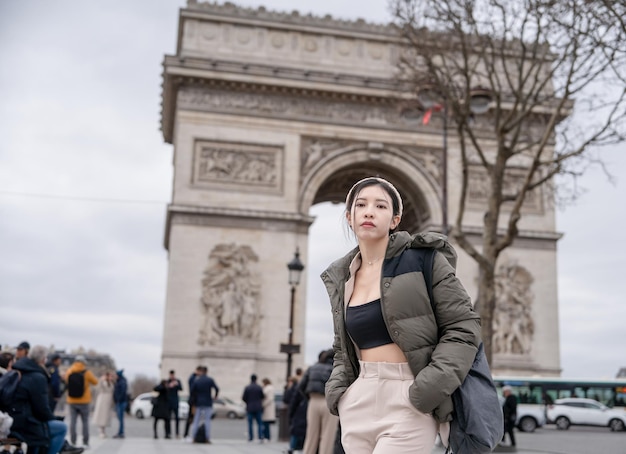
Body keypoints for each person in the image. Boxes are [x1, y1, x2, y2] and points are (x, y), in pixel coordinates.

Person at [322, 176, 482, 453]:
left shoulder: (425, 260)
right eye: (361, 204)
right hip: (359, 400)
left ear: (395, 220)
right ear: (349, 216)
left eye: (381, 206)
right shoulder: (342, 277)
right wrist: (339, 393)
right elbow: (342, 347)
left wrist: (426, 391)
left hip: (409, 398)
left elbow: (464, 326)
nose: (369, 211)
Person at [7, 345, 84, 454]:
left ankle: (63, 446)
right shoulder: (37, 377)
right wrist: (52, 418)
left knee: (45, 429)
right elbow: (41, 409)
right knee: (61, 428)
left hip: (12, 418)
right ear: (43, 359)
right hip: (23, 423)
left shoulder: (18, 370)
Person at [299, 349, 337, 454]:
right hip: (329, 403)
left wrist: (309, 398)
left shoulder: (312, 368)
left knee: (311, 436)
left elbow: (301, 386)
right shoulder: (335, 369)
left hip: (313, 401)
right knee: (327, 437)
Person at [64, 355, 98, 449]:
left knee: (73, 422)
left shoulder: (69, 371)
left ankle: (73, 441)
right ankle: (85, 442)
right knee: (85, 422)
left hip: (71, 400)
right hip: (84, 400)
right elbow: (95, 382)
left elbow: (66, 382)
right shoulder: (86, 372)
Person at [188, 366, 219, 443]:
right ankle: (207, 438)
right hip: (208, 402)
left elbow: (192, 391)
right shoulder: (210, 380)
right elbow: (217, 388)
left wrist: (194, 400)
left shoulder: (197, 381)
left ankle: (194, 437)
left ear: (201, 372)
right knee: (207, 420)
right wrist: (215, 396)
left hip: (198, 402)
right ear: (206, 372)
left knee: (196, 420)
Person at [242, 374, 264, 443]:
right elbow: (262, 396)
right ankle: (260, 437)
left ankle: (251, 437)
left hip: (250, 407)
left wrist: (248, 402)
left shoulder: (247, 387)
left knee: (250, 423)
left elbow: (244, 398)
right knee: (260, 423)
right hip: (258, 407)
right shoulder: (259, 387)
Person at [92, 371, 114, 438]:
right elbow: (98, 387)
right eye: (110, 376)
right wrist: (101, 380)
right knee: (102, 416)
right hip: (102, 400)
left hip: (108, 400)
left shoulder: (111, 383)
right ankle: (101, 431)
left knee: (105, 417)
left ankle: (103, 431)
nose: (111, 377)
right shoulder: (103, 382)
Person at [183, 366, 202, 439]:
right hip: (193, 402)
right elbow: (193, 390)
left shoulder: (193, 377)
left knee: (193, 418)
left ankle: (189, 434)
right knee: (191, 417)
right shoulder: (193, 378)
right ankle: (187, 434)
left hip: (194, 401)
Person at [166, 369, 183, 438]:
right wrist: (170, 386)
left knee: (177, 418)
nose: (172, 376)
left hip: (175, 402)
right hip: (169, 402)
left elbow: (181, 388)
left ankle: (177, 433)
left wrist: (176, 385)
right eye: (171, 375)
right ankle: (168, 433)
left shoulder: (177, 381)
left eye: (173, 375)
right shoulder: (167, 381)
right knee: (168, 418)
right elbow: (165, 389)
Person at [112, 369, 128, 439]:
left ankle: (121, 432)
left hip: (121, 402)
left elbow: (122, 392)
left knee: (120, 418)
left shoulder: (122, 382)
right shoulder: (120, 381)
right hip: (119, 402)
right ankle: (120, 432)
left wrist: (118, 399)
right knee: (120, 418)